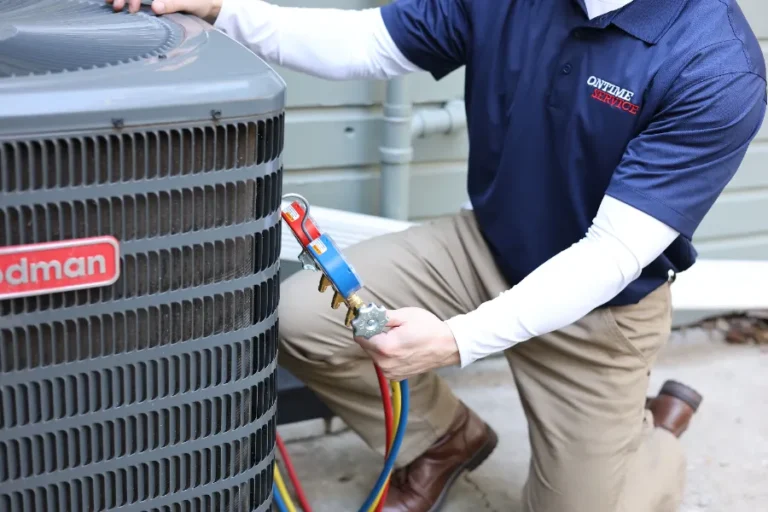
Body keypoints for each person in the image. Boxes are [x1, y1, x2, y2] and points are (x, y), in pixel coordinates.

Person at [111, 1, 766, 511]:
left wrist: (457, 340)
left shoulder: (715, 62)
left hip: (601, 308)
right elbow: (368, 44)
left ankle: (652, 442)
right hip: (483, 246)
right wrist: (226, 9)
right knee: (296, 319)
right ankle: (444, 440)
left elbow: (612, 254)